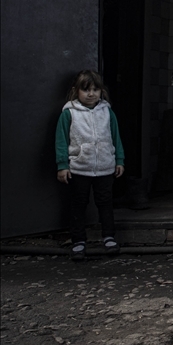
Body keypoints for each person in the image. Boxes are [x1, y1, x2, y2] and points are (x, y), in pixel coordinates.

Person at [55, 70, 125, 261]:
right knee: (78, 205)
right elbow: (61, 141)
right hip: (79, 168)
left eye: (95, 89)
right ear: (76, 91)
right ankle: (78, 242)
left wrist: (119, 160)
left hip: (105, 167)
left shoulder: (107, 112)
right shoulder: (69, 113)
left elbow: (115, 137)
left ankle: (109, 238)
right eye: (86, 90)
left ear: (101, 91)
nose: (91, 94)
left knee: (105, 203)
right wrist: (62, 165)